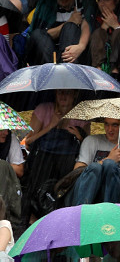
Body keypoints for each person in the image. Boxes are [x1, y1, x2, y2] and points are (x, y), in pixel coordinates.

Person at [22, 90, 90, 222]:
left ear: (75, 94)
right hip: (42, 160)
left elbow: (87, 147)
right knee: (44, 161)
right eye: (60, 92)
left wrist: (80, 137)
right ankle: (34, 212)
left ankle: (57, 212)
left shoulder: (81, 116)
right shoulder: (44, 109)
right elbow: (28, 142)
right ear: (55, 93)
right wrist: (51, 126)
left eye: (68, 92)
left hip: (66, 162)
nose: (63, 96)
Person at [65, 118, 120, 206]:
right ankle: (81, 211)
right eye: (106, 124)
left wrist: (113, 172)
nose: (110, 129)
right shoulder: (92, 141)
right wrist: (107, 159)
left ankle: (107, 211)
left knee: (110, 165)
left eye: (115, 125)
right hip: (86, 195)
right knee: (96, 167)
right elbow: (76, 173)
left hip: (113, 199)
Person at [26, 0, 97, 65]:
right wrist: (69, 21)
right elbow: (41, 35)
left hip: (75, 51)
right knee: (37, 34)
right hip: (49, 52)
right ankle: (54, 70)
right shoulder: (46, 4)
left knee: (70, 27)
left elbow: (88, 24)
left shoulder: (86, 1)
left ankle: (66, 68)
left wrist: (81, 46)